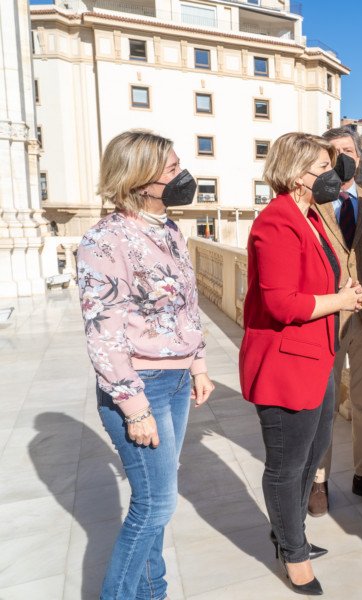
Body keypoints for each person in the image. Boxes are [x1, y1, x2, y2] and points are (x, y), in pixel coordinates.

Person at [76, 129, 215, 600]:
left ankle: (152, 593)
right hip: (141, 385)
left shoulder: (170, 230)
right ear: (139, 179)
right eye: (171, 169)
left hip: (175, 381)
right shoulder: (104, 239)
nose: (183, 176)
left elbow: (188, 305)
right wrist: (134, 408)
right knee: (155, 505)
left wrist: (197, 363)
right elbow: (103, 332)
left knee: (157, 501)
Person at [239, 132, 362, 595]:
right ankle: (292, 553)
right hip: (285, 365)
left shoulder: (311, 216)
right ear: (297, 175)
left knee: (311, 455)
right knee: (287, 465)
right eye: (322, 166)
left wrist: (342, 296)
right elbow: (280, 304)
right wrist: (341, 300)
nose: (332, 175)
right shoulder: (276, 221)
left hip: (316, 357)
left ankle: (288, 533)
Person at [309, 127, 362, 517]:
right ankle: (319, 480)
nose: (342, 157)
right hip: (326, 317)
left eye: (347, 150)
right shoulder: (313, 205)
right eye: (333, 152)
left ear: (359, 157)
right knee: (324, 403)